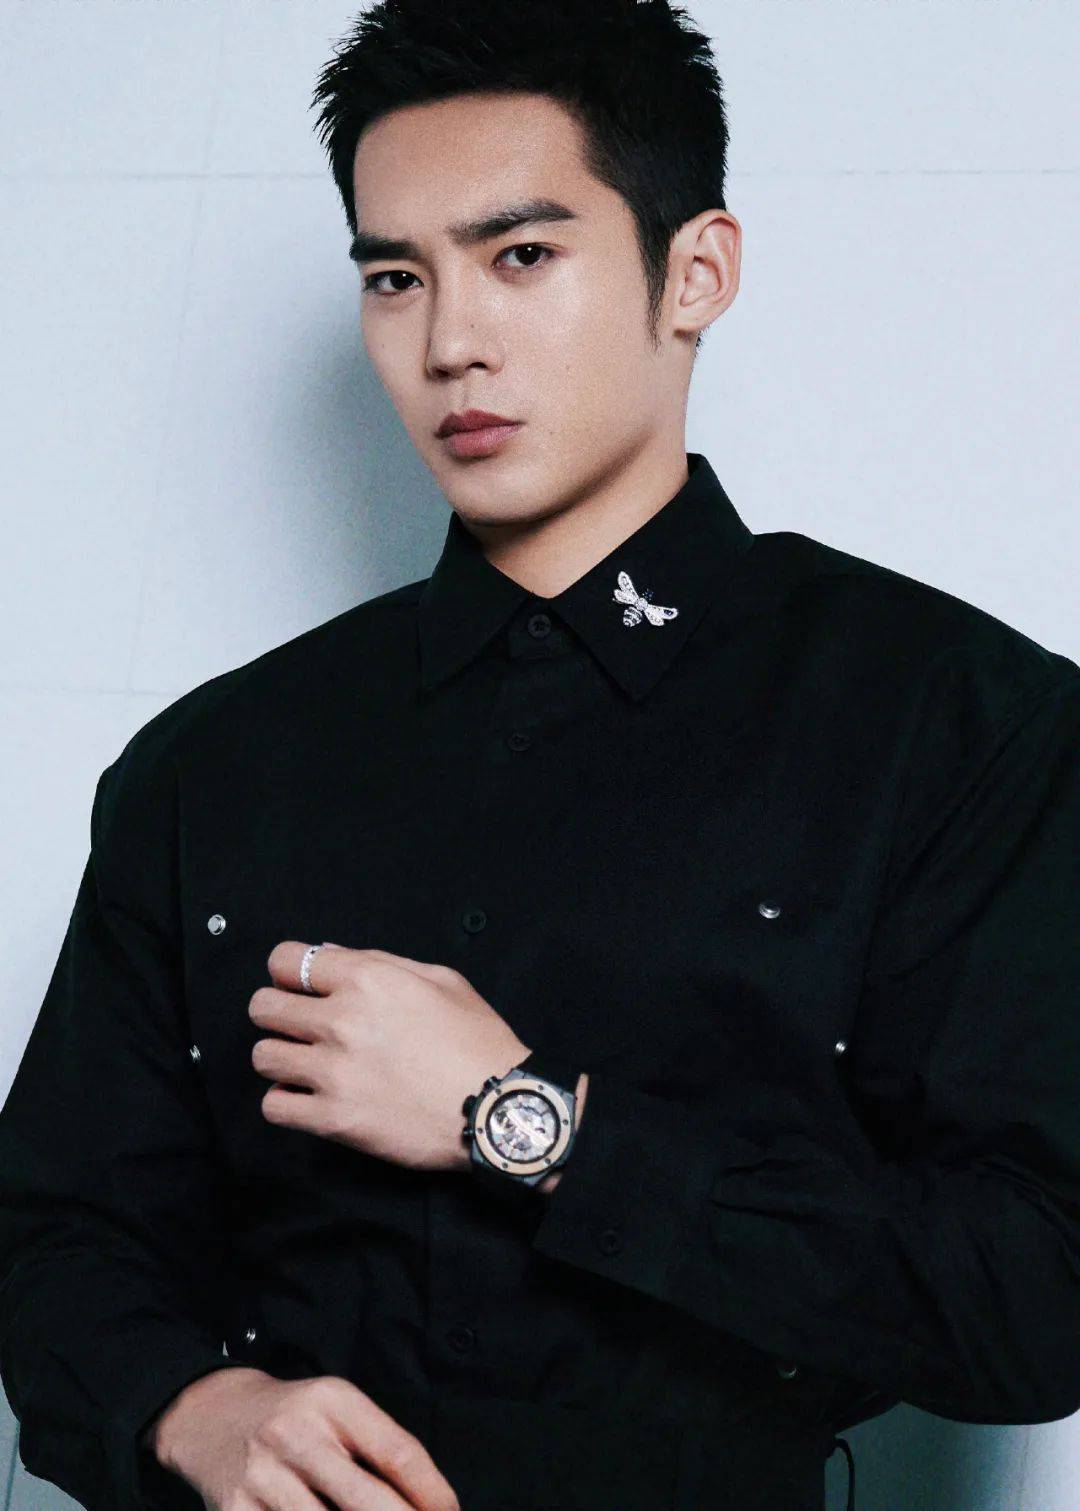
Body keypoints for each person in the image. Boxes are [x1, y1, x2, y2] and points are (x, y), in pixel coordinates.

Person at [2, 1, 1079, 1507]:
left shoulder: (956, 723)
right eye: (396, 278)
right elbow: (52, 1233)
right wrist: (189, 1405)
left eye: (520, 256)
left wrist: (524, 1126)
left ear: (694, 273)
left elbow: (1035, 1295)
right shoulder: (212, 765)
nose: (449, 343)